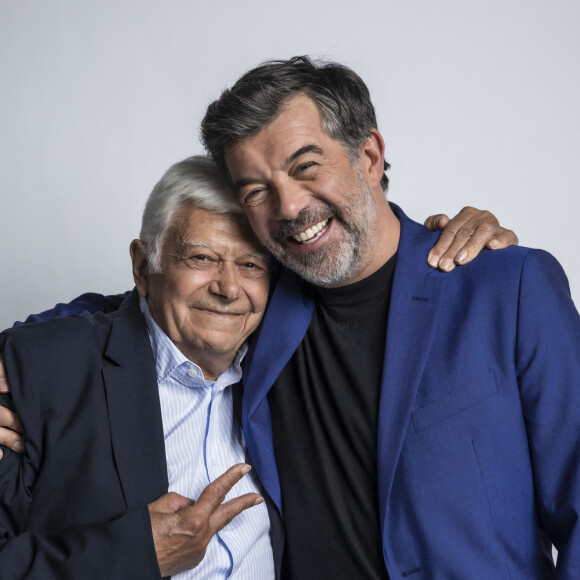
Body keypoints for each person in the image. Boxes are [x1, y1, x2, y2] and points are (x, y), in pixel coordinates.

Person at [199, 56, 580, 578]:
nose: (287, 207)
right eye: (256, 192)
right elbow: (148, 309)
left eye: (306, 166)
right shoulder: (250, 308)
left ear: (370, 156)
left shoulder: (508, 287)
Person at [0, 156, 275, 579]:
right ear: (144, 267)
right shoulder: (42, 372)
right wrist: (134, 555)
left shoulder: (286, 364)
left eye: (252, 264)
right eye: (201, 258)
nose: (229, 288)